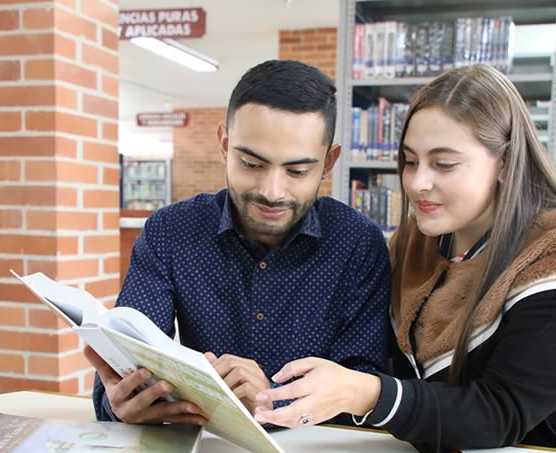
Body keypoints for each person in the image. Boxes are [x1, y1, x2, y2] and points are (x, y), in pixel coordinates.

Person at [254, 64, 556, 453]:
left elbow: (500, 411)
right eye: (410, 161)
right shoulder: (415, 241)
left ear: (506, 163)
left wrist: (367, 393)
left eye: (444, 164)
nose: (417, 183)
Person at [90, 60, 390, 426]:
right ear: (224, 145)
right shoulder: (170, 232)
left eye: (297, 171)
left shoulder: (358, 244)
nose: (271, 191)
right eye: (251, 164)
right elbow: (127, 355)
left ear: (328, 163)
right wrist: (118, 403)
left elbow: (364, 391)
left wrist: (272, 402)